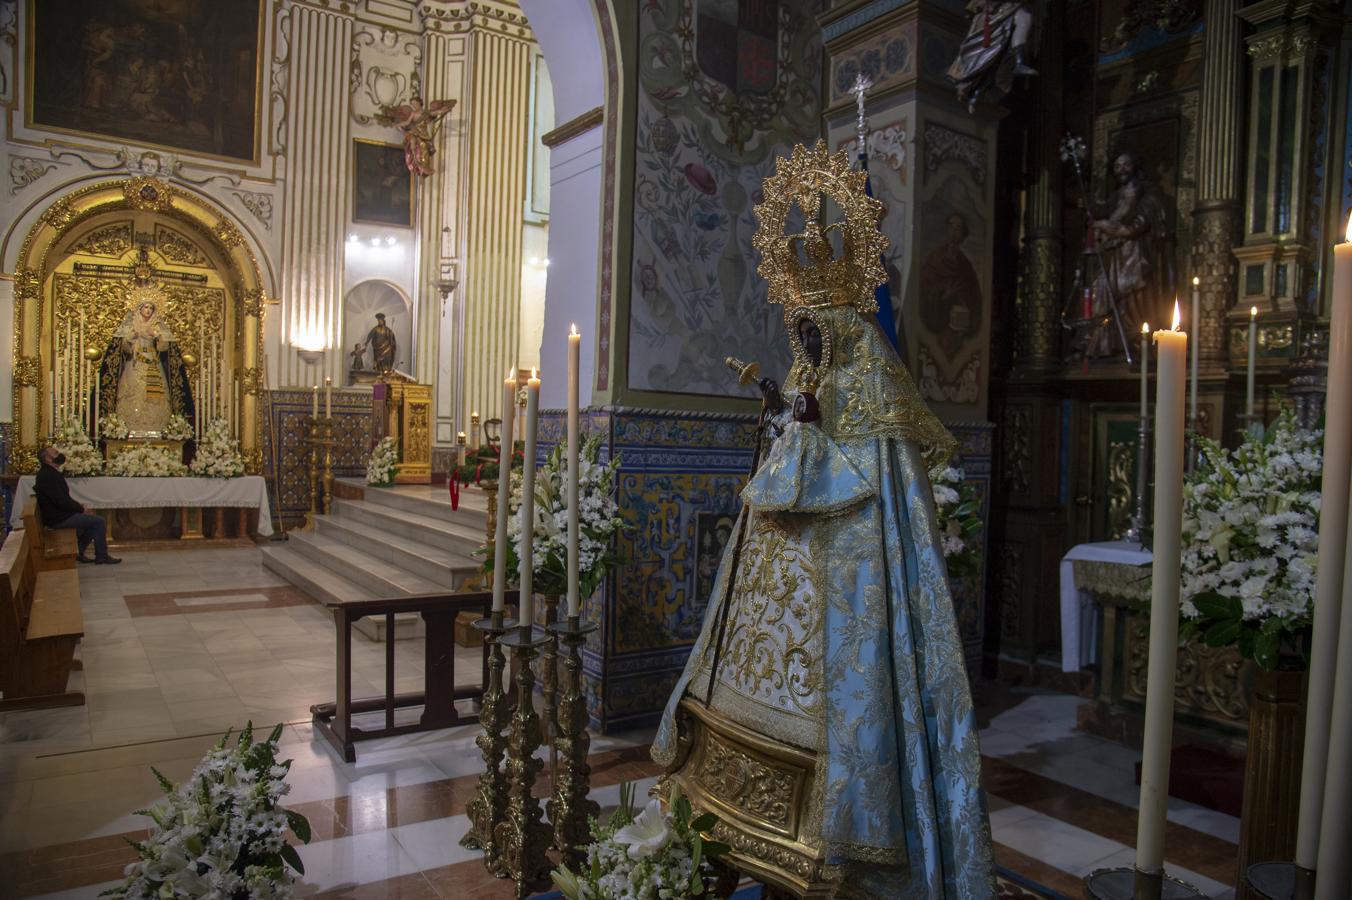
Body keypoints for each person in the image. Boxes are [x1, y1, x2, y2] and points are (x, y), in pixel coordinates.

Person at [654, 252, 994, 893]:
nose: (807, 345)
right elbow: (788, 456)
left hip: (846, 605)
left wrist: (810, 427)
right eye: (801, 334)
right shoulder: (812, 380)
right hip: (770, 618)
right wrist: (781, 416)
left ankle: (848, 836)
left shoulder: (873, 415)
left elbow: (870, 511)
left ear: (844, 332)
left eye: (816, 333)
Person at [1088, 152, 1174, 342]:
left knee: (1131, 297)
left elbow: (1138, 224)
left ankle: (1136, 337)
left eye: (1126, 165)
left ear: (1135, 167)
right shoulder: (1115, 198)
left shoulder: (1146, 195)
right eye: (1118, 166)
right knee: (1104, 294)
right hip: (1113, 255)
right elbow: (1104, 215)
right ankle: (1108, 342)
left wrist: (1108, 227)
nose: (1122, 170)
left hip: (1133, 255)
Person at [947, 1, 1039, 113]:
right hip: (993, 15)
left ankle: (1019, 62)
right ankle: (976, 92)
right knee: (990, 59)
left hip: (1010, 9)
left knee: (1024, 18)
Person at [34, 447, 120, 565]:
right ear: (48, 459)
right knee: (98, 521)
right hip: (57, 518)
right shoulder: (49, 475)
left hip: (57, 514)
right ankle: (102, 556)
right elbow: (61, 501)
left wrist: (79, 507)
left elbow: (62, 498)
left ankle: (79, 552)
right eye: (55, 453)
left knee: (92, 521)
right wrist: (81, 509)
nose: (59, 454)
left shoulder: (49, 472)